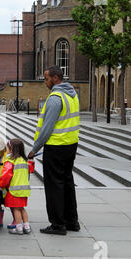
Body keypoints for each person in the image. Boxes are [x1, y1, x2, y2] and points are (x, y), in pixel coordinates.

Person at [28, 65, 80, 235]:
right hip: (71, 145)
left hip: (56, 146)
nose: (45, 82)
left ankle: (58, 224)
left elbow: (47, 128)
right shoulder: (72, 95)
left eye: (46, 78)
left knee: (54, 186)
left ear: (55, 78)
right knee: (67, 183)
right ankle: (72, 221)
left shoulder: (55, 98)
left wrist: (34, 149)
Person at [0, 139, 31, 235]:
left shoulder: (11, 161)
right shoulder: (24, 161)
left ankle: (18, 227)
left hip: (14, 190)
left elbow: (6, 176)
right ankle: (26, 226)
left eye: (7, 148)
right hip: (24, 190)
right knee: (22, 208)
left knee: (16, 209)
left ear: (11, 149)